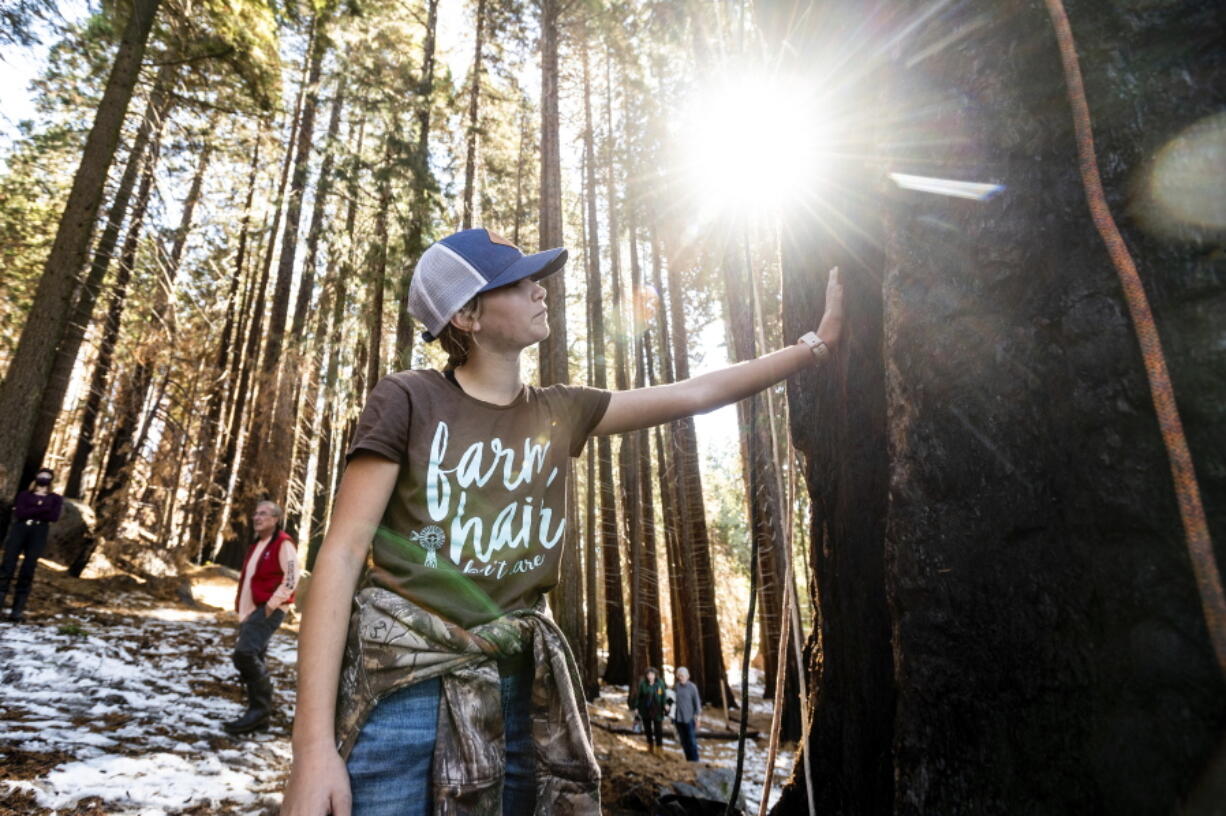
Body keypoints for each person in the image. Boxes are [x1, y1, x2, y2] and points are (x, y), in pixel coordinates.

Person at [281, 227, 843, 816]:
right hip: (404, 693)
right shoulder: (408, 398)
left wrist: (816, 346)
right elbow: (340, 558)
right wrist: (312, 748)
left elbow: (694, 392)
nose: (540, 291)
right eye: (517, 283)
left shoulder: (561, 412)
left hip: (526, 691)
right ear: (467, 315)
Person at [225, 500, 297, 735]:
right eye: (255, 513)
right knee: (255, 655)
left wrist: (271, 606)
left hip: (268, 608)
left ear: (276, 519)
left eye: (263, 514)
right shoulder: (258, 544)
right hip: (252, 611)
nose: (257, 517)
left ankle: (261, 710)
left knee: (244, 654)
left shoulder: (283, 543)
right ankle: (258, 716)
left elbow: (292, 577)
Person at [0, 468, 64, 622]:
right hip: (19, 529)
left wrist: (34, 509)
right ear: (35, 478)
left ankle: (17, 611)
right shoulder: (24, 495)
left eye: (47, 477)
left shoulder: (56, 498)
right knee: (7, 566)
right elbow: (20, 513)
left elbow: (53, 516)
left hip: (39, 532)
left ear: (52, 479)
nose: (43, 479)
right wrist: (42, 508)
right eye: (41, 476)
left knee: (28, 569)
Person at [633, 667, 669, 755]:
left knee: (658, 730)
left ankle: (659, 749)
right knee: (648, 729)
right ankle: (650, 747)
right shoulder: (643, 684)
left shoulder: (660, 683)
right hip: (645, 710)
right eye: (648, 675)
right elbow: (639, 697)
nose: (650, 676)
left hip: (658, 710)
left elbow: (663, 695)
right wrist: (637, 708)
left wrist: (665, 704)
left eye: (652, 674)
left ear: (655, 675)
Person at [671, 666, 702, 762]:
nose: (681, 678)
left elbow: (697, 704)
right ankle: (688, 760)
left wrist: (698, 719)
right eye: (679, 676)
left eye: (683, 676)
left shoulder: (692, 687)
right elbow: (671, 701)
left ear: (687, 676)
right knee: (683, 741)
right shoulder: (676, 687)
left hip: (689, 718)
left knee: (691, 741)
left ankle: (695, 760)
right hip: (678, 719)